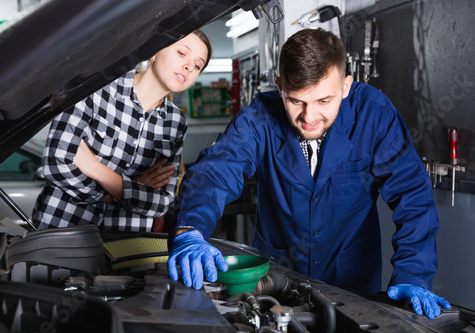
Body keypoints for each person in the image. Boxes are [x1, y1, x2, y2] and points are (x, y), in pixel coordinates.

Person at [167, 28, 451, 319]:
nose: (310, 116)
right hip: (277, 282)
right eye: (296, 101)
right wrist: (190, 229)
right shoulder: (259, 119)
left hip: (354, 282)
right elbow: (216, 171)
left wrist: (413, 276)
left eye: (324, 101)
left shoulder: (374, 114)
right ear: (280, 87)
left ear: (345, 86)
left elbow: (413, 196)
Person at [32, 30, 211, 232]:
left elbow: (160, 203)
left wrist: (97, 170)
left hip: (125, 248)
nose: (189, 66)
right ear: (155, 52)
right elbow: (56, 162)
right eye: (181, 53)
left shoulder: (175, 123)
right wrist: (126, 190)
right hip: (61, 232)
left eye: (197, 65)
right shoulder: (96, 87)